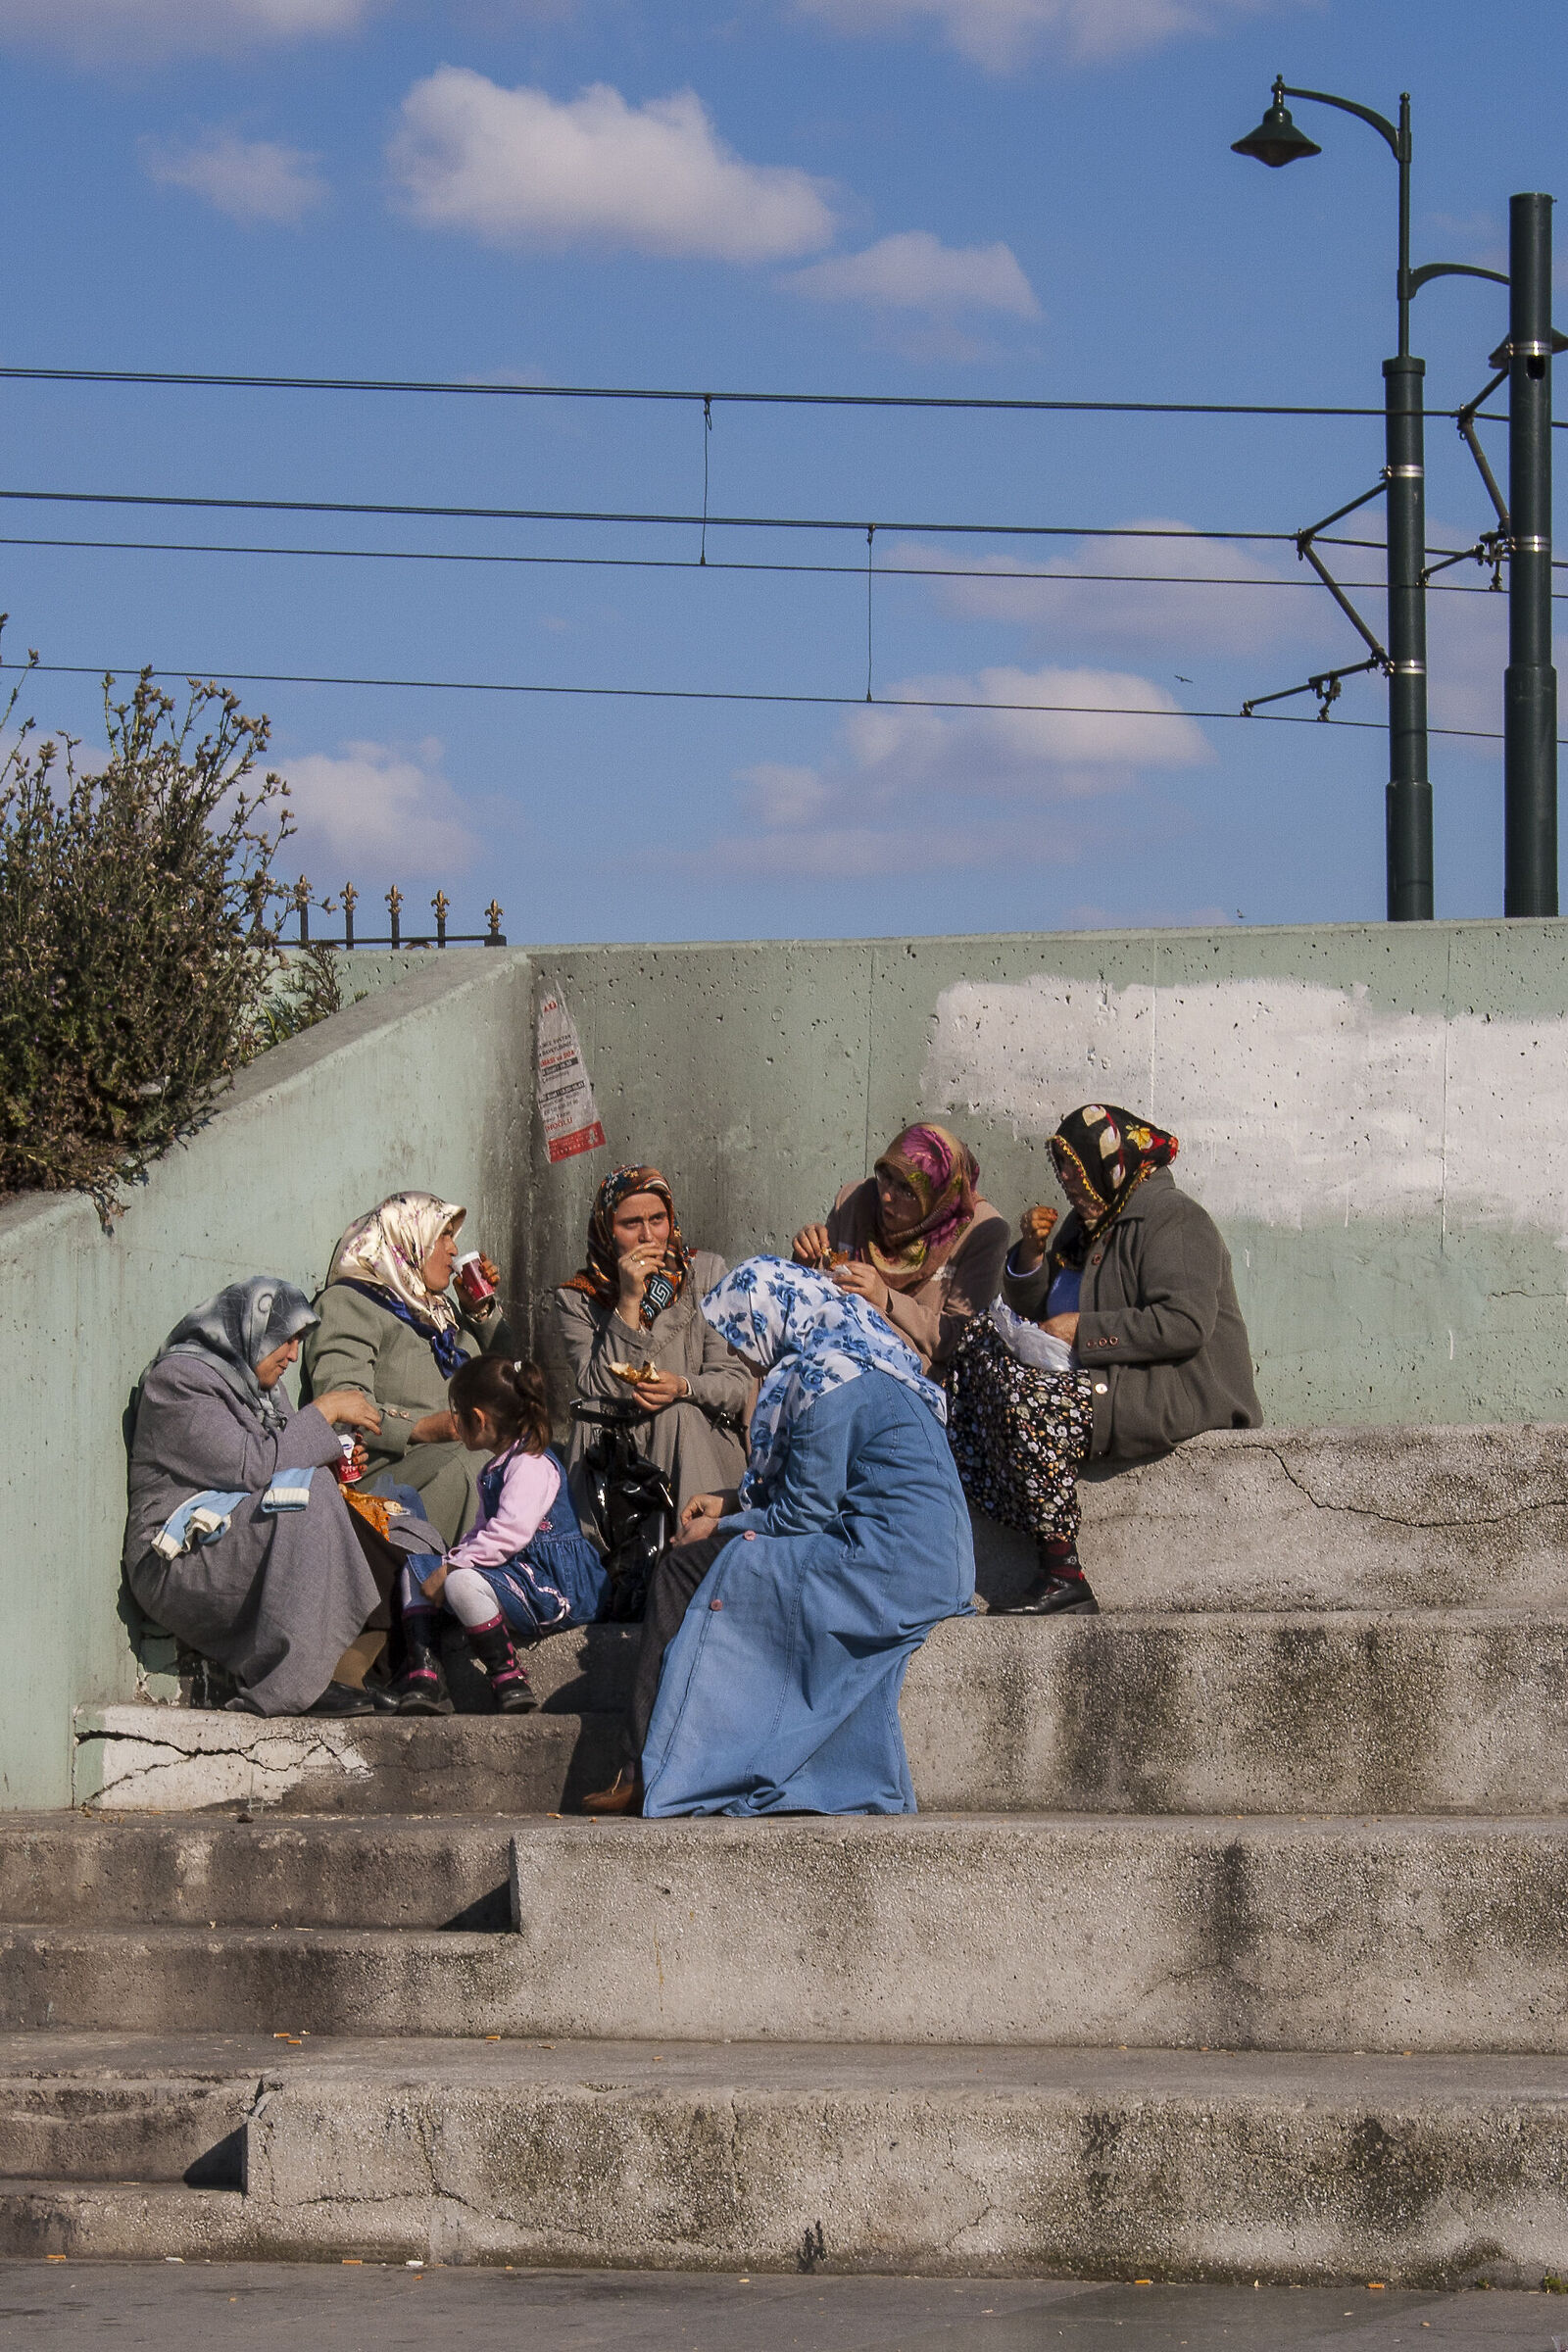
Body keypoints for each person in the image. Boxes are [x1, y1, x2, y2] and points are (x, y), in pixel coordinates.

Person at [583, 1257, 975, 1819]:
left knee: (683, 1566)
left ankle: (644, 1767)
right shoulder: (866, 1355)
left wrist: (719, 1526)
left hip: (886, 1565)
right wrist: (731, 1501)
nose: (736, 1351)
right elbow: (823, 1483)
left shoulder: (824, 1378)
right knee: (708, 1560)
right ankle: (655, 1757)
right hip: (930, 1561)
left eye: (739, 1332)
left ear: (771, 1320)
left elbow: (802, 1517)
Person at [949, 1103, 1261, 1618]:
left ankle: (1063, 1574)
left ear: (1111, 1161)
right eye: (1063, 1170)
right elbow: (1047, 1310)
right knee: (974, 1347)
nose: (1067, 1182)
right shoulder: (1089, 1224)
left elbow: (1184, 1323)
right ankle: (987, 1513)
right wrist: (1031, 1257)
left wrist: (1083, 1331)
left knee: (1030, 1402)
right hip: (1097, 1375)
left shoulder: (1175, 1220)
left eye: (1075, 1168)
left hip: (1167, 1388)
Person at [123, 1276, 442, 1718]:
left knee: (398, 1530)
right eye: (286, 1340)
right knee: (307, 1498)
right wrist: (323, 1412)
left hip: (235, 1530)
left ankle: (368, 1672)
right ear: (252, 1329)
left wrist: (334, 1459)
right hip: (174, 1555)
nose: (293, 1355)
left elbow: (283, 1461)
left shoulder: (264, 1390)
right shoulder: (178, 1382)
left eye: (298, 1343)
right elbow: (252, 1467)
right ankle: (294, 1686)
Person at [396, 1354, 610, 1715]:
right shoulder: (499, 1465)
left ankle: (507, 1675)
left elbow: (508, 1534)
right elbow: (483, 1530)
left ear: (478, 1419)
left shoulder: (530, 1464)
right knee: (415, 1570)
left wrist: (451, 1568)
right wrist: (448, 1560)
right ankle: (426, 1675)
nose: (454, 1421)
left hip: (551, 1586)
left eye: (457, 1414)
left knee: (460, 1582)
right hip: (515, 1573)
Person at [302, 1191, 515, 1546]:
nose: (453, 1249)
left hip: (449, 1454)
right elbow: (341, 1406)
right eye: (442, 1236)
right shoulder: (349, 1302)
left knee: (527, 1459)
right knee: (471, 1465)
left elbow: (504, 1373)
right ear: (407, 1239)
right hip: (387, 1469)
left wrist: (479, 1310)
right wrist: (421, 1428)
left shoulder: (439, 1310)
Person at [555, 1165, 751, 1525]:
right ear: (607, 1229)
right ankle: (593, 1553)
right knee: (587, 1418)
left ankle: (690, 1547)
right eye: (631, 1224)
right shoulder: (577, 1298)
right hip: (618, 1448)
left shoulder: (705, 1274)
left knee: (675, 1413)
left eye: (657, 1219)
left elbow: (737, 1384)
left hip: (695, 1445)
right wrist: (628, 1302)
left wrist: (683, 1387)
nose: (648, 1236)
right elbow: (601, 1388)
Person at [791, 1122, 1008, 1376]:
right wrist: (806, 1258)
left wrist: (886, 1299)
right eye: (886, 1177)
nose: (886, 1196)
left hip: (912, 1376)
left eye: (907, 1190)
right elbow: (814, 1292)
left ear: (939, 1198)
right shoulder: (856, 1200)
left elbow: (961, 1339)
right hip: (826, 1346)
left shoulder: (980, 1230)